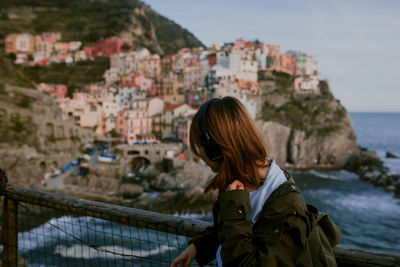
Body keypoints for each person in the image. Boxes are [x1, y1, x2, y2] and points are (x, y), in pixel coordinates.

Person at [170, 97, 340, 267]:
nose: (200, 154)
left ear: (216, 151)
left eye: (200, 147)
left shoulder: (288, 208)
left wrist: (234, 208)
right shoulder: (237, 180)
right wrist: (199, 247)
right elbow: (229, 229)